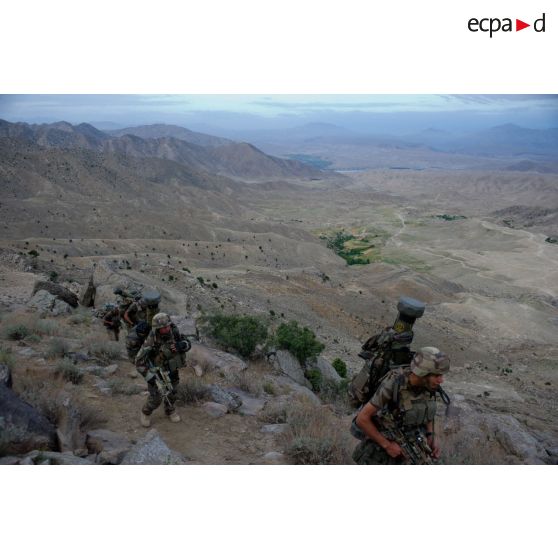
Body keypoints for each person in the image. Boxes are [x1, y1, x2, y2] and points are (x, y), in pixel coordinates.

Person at [352, 346, 449, 465]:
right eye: (437, 376)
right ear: (423, 373)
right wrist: (387, 445)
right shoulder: (394, 383)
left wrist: (431, 435)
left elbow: (428, 410)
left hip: (413, 444)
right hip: (383, 449)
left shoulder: (429, 385)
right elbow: (362, 419)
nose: (441, 380)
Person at [135, 312, 190, 427]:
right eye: (164, 327)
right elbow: (139, 361)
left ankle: (169, 409)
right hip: (158, 372)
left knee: (173, 391)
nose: (167, 328)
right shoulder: (151, 339)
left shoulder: (174, 331)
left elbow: (187, 343)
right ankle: (146, 412)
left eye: (168, 325)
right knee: (156, 397)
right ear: (158, 328)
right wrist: (149, 377)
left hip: (172, 368)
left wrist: (182, 345)